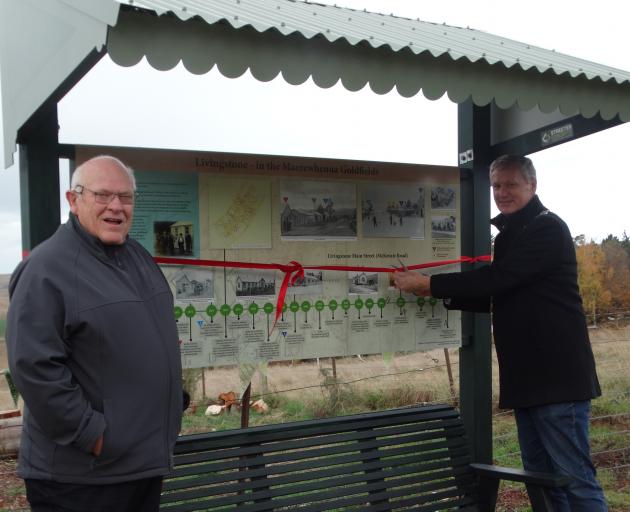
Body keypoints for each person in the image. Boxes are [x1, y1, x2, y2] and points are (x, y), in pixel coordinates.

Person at [393, 154, 607, 511]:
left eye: (511, 184)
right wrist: (432, 292)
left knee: (574, 481)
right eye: (496, 185)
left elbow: (499, 279)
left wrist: (430, 285)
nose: (502, 192)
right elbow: (502, 293)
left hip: (558, 382)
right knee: (544, 482)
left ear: (532, 186)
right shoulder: (512, 233)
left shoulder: (547, 228)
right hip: (527, 382)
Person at [6, 155, 183, 512]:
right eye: (102, 195)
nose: (116, 207)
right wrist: (94, 435)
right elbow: (35, 367)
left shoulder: (137, 257)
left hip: (138, 465)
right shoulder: (46, 269)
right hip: (81, 479)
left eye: (126, 197)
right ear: (74, 200)